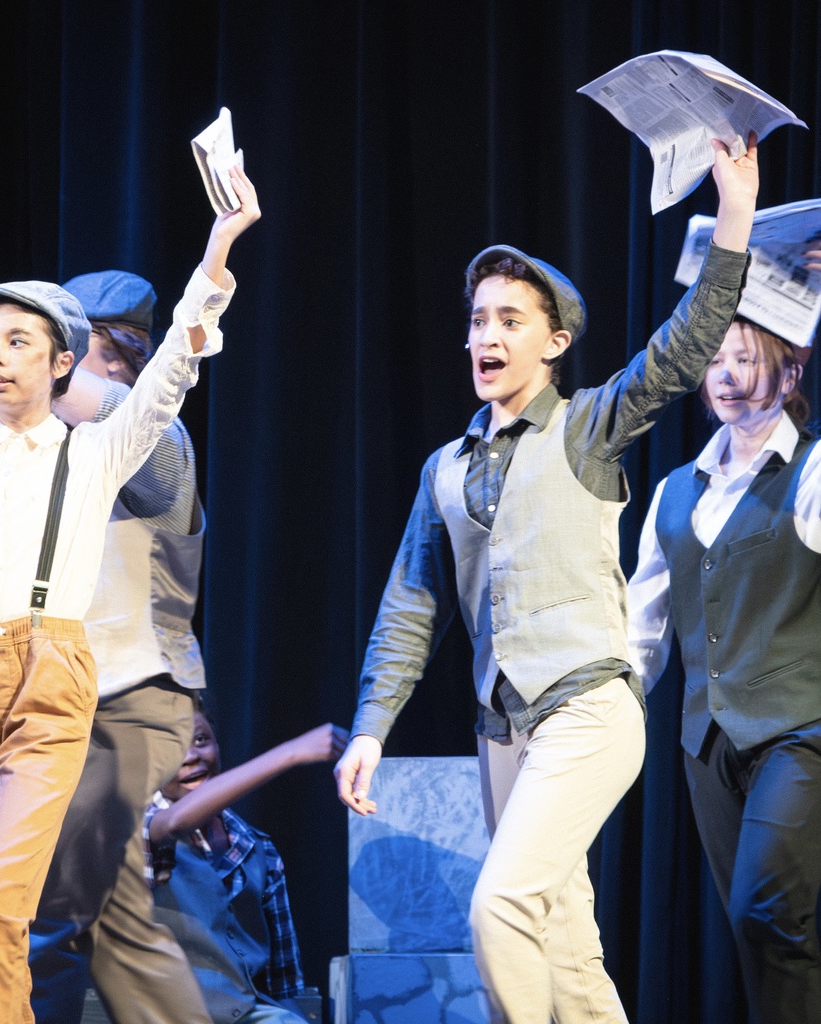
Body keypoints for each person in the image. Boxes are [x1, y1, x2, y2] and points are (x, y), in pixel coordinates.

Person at [332, 135, 759, 1024]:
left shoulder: (589, 424)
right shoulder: (444, 468)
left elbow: (681, 352)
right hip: (503, 728)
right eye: (479, 319)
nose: (487, 336)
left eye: (510, 321)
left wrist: (735, 214)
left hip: (587, 708)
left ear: (555, 342)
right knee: (565, 949)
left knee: (500, 908)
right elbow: (412, 605)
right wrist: (372, 726)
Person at [0, 165, 259, 1024]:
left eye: (23, 342)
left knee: (2, 908)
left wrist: (219, 248)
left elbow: (167, 379)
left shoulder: (105, 452)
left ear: (68, 362)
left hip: (71, 687)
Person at [27, 270, 217, 1024]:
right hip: (61, 706)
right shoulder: (50, 454)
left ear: (110, 354)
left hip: (130, 701)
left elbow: (102, 410)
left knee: (53, 917)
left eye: (52, 348)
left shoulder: (157, 439)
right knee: (109, 925)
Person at [627, 314, 821, 1023]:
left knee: (765, 910)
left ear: (791, 372)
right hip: (706, 742)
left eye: (747, 359)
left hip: (799, 728)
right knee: (761, 937)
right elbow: (641, 629)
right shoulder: (675, 491)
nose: (729, 376)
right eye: (715, 362)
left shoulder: (812, 470)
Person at [146, 705, 348, 1024]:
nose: (190, 757)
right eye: (172, 747)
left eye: (200, 740)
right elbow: (172, 824)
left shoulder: (258, 848)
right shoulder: (136, 829)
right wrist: (292, 752)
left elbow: (284, 983)